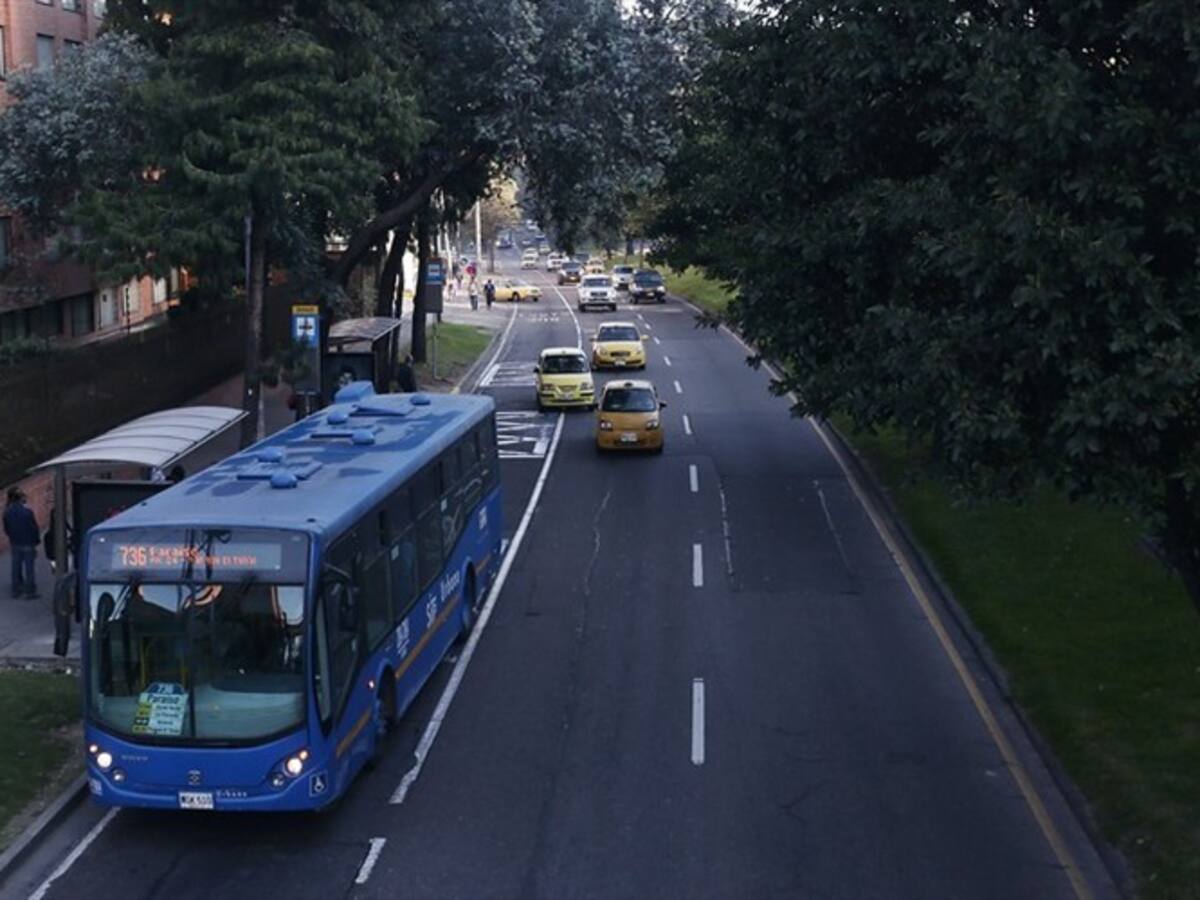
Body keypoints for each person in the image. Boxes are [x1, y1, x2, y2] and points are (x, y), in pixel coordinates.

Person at [4, 488, 40, 598]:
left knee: (16, 566)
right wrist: (36, 541)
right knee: (29, 568)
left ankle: (16, 589)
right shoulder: (27, 512)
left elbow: (7, 528)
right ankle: (30, 591)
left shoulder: (7, 512)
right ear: (21, 498)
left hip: (15, 542)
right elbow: (34, 528)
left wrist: (12, 537)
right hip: (28, 542)